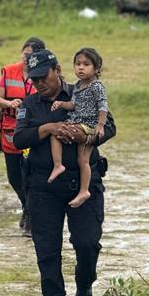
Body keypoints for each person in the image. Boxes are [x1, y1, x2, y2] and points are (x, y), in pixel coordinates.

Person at [13, 48, 116, 296]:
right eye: (33, 79)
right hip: (42, 185)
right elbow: (19, 139)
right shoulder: (29, 105)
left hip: (81, 180)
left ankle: (84, 285)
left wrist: (87, 137)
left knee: (87, 241)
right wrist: (47, 129)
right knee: (46, 246)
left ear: (57, 70)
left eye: (43, 77)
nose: (39, 83)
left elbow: (110, 126)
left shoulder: (82, 92)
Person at [0, 37, 46, 234]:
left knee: (30, 174)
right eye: (25, 55)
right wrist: (9, 103)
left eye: (31, 56)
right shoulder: (9, 71)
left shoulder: (44, 73)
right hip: (10, 129)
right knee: (14, 176)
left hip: (33, 131)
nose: (26, 59)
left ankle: (31, 213)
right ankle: (27, 206)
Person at [47, 48, 109, 209]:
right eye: (77, 64)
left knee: (83, 158)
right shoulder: (78, 86)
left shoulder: (97, 86)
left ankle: (84, 191)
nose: (81, 68)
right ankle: (58, 165)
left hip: (88, 124)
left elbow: (103, 107)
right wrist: (61, 104)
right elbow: (73, 105)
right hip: (77, 120)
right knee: (56, 133)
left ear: (96, 69)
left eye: (86, 64)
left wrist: (100, 126)